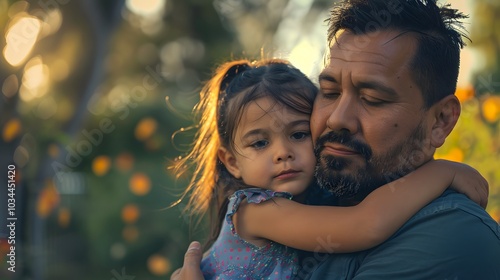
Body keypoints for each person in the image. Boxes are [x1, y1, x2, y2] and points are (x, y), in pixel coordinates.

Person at [172, 0, 500, 279]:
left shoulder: (451, 238)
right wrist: (442, 172)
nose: (337, 118)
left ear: (440, 121)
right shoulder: (288, 203)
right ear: (230, 160)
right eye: (329, 92)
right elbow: (365, 224)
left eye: (372, 98)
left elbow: (367, 223)